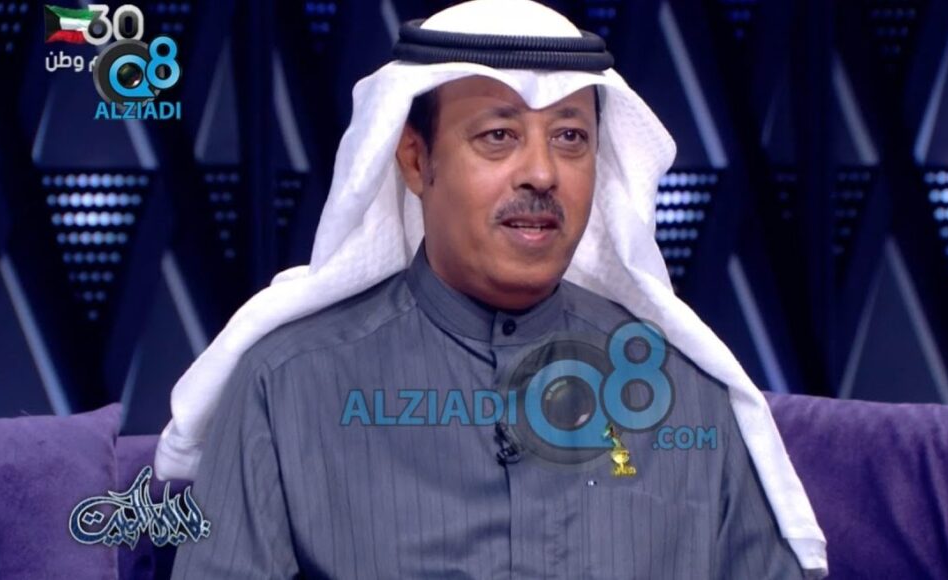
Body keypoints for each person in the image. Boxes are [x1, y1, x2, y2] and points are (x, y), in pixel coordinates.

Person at [162, 1, 826, 577]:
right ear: (416, 160)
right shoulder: (287, 387)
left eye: (570, 137)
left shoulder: (685, 390)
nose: (542, 172)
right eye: (499, 135)